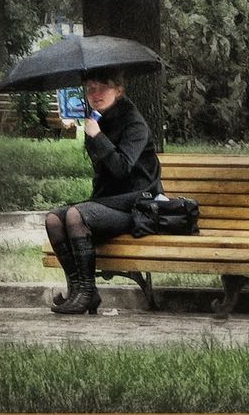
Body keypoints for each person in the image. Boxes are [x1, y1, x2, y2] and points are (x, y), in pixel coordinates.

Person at [45, 68, 163, 315]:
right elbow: (103, 174)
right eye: (90, 88)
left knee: (76, 216)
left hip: (138, 205)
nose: (95, 93)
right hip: (108, 202)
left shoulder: (135, 123)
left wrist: (97, 136)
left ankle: (87, 293)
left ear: (118, 90)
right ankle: (78, 291)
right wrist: (94, 132)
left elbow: (121, 169)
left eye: (103, 87)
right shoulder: (98, 120)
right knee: (54, 219)